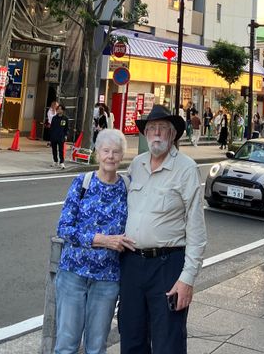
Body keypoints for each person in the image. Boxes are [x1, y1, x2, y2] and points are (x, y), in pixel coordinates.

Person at [118, 104, 207, 354]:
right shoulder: (136, 165)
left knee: (169, 341)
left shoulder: (186, 168)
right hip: (132, 264)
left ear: (173, 135)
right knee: (131, 337)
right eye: (152, 129)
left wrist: (187, 279)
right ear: (146, 134)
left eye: (162, 129)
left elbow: (197, 229)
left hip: (167, 266)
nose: (156, 134)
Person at [55, 129, 135, 354]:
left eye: (116, 152)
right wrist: (101, 240)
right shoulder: (83, 182)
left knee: (96, 346)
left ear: (122, 156)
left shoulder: (127, 188)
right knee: (66, 344)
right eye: (106, 151)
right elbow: (63, 228)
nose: (110, 156)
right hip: (73, 274)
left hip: (107, 280)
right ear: (97, 153)